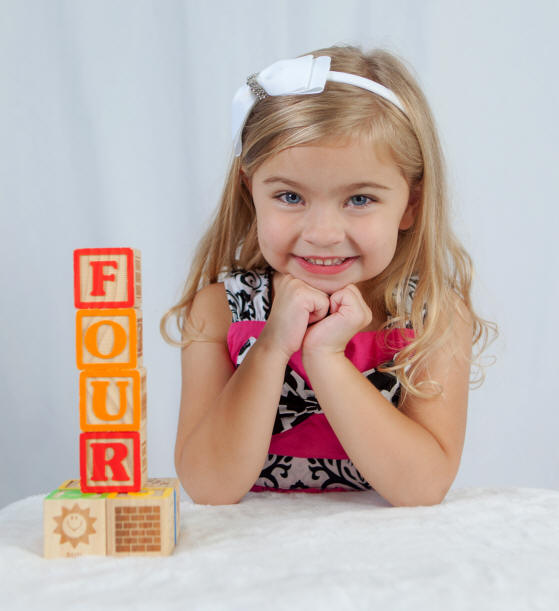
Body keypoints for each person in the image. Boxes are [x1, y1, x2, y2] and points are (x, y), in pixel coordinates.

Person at [161, 45, 495, 507]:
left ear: (411, 204)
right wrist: (272, 346)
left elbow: (421, 489)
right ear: (250, 191)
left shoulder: (431, 315)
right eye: (289, 197)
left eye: (360, 199)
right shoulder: (220, 311)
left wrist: (325, 356)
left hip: (385, 549)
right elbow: (209, 487)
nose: (321, 234)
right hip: (252, 545)